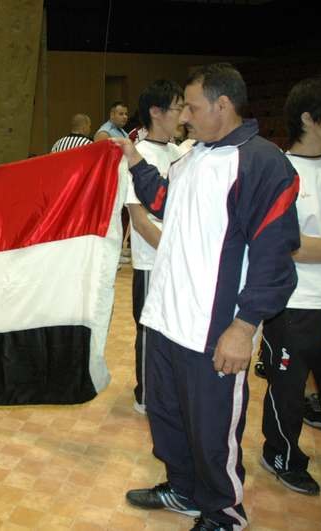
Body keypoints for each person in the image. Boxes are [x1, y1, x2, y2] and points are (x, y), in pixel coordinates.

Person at [113, 63, 301, 531]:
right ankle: (183, 489)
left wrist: (244, 326)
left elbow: (275, 257)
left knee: (212, 431)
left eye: (192, 108)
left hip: (213, 330)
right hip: (165, 320)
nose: (184, 118)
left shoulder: (261, 164)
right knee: (167, 417)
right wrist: (133, 158)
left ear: (223, 105)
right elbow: (162, 202)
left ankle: (223, 513)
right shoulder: (190, 157)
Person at [258, 73, 321, 496]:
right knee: (287, 390)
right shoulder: (281, 172)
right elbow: (292, 244)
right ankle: (281, 454)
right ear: (308, 118)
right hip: (294, 301)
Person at [122, 80, 188, 415]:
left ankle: (169, 390)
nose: (184, 115)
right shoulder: (137, 155)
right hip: (153, 262)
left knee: (174, 328)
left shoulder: (179, 154)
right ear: (156, 112)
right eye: (178, 107)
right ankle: (146, 395)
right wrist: (176, 252)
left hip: (180, 261)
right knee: (149, 330)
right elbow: (141, 221)